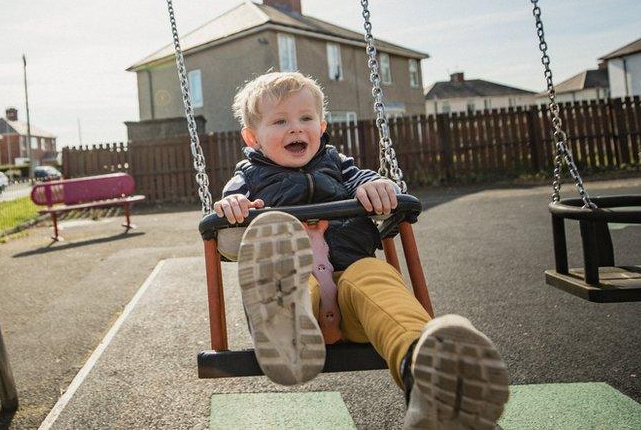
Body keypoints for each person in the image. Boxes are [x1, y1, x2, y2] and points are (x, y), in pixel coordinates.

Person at [213, 72, 509, 429]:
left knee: (375, 278)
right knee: (278, 263)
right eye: (280, 121)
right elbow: (227, 226)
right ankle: (285, 327)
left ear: (321, 126)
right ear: (252, 137)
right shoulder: (248, 180)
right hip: (302, 296)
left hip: (351, 296)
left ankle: (426, 374)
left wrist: (378, 187)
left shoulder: (339, 167)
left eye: (306, 118)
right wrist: (234, 211)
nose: (296, 128)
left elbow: (365, 181)